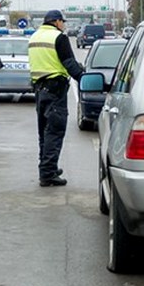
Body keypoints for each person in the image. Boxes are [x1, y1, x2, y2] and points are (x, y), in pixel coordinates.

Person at [29, 10, 84, 187]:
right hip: (55, 90)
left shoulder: (34, 37)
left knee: (44, 132)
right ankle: (47, 174)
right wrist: (83, 78)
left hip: (39, 89)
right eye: (63, 22)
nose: (64, 25)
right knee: (54, 131)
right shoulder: (58, 37)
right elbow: (69, 63)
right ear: (57, 21)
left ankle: (47, 167)